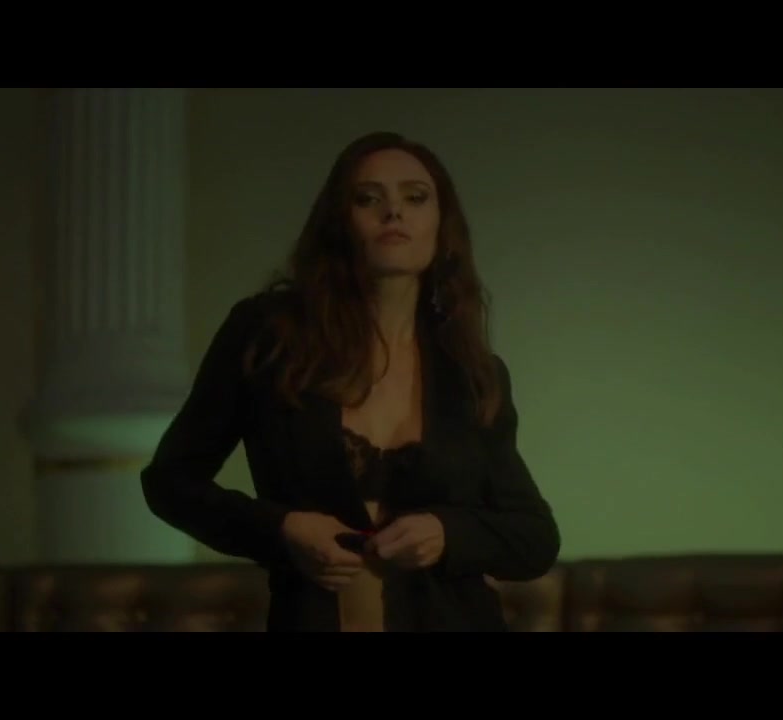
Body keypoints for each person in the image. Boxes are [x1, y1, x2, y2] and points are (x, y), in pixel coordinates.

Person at [140, 131, 560, 632]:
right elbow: (170, 483)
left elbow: (535, 537)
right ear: (340, 221)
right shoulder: (269, 337)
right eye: (368, 198)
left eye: (415, 197)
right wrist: (282, 528)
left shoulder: (471, 373)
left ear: (441, 226)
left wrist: (447, 533)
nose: (393, 211)